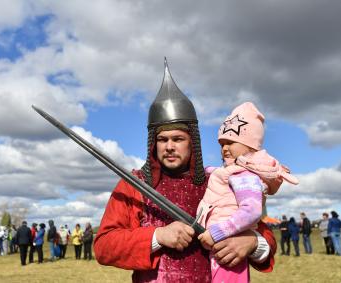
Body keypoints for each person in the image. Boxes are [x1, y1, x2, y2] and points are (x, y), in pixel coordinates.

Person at [94, 60, 276, 282]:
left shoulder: (219, 180)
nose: (169, 146)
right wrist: (157, 235)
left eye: (178, 139)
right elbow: (104, 245)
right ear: (154, 143)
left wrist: (252, 242)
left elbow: (262, 230)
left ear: (193, 142)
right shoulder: (135, 185)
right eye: (162, 139)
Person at [197, 102, 298, 282]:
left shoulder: (245, 176)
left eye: (230, 142)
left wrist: (216, 232)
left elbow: (251, 211)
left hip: (228, 247)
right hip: (220, 246)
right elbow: (220, 174)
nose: (224, 148)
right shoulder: (234, 171)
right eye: (222, 143)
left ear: (250, 146)